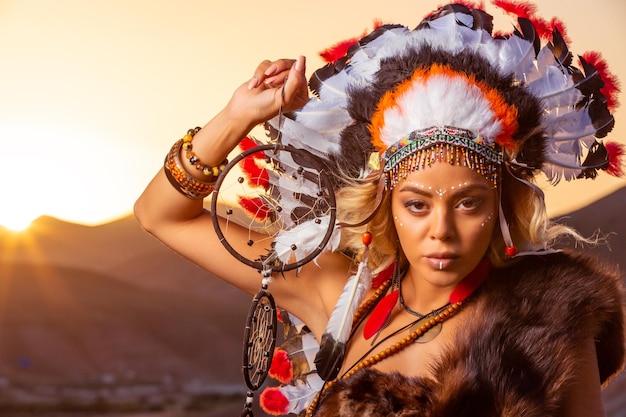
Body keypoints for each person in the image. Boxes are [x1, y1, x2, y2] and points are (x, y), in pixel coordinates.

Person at [135, 2, 625, 416]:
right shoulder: (338, 297)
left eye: (468, 203)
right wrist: (237, 115)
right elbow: (160, 215)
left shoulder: (548, 323)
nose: (441, 231)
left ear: (501, 205)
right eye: (416, 204)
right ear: (386, 205)